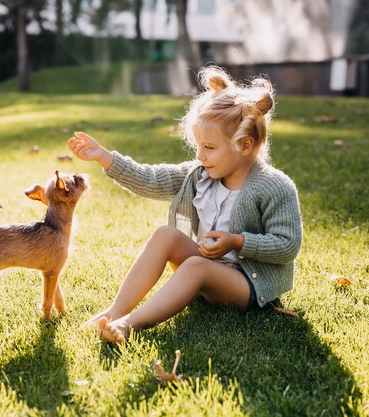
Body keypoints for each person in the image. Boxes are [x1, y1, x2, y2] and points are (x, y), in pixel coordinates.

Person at [67, 66, 302, 344]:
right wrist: (105, 157)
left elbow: (287, 245)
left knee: (194, 267)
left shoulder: (274, 186)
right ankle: (116, 311)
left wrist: (237, 242)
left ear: (246, 145)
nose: (200, 155)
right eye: (199, 146)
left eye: (210, 148)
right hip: (209, 267)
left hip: (248, 286)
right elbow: (150, 179)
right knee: (165, 235)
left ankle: (130, 325)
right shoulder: (200, 173)